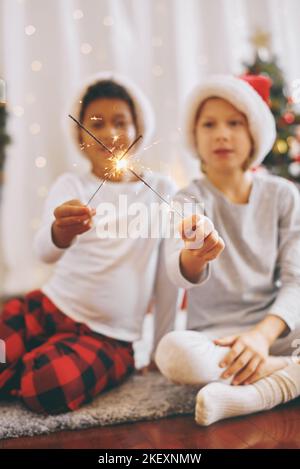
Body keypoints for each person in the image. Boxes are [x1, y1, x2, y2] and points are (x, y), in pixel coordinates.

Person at [0, 72, 178, 414]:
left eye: (120, 122)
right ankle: (34, 357)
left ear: (139, 129)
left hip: (109, 337)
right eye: (97, 124)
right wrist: (60, 233)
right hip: (49, 306)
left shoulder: (162, 191)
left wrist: (159, 350)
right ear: (81, 135)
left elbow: (168, 280)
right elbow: (44, 252)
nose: (110, 133)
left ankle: (36, 363)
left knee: (45, 385)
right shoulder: (72, 184)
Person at [155, 74, 300, 425]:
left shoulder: (283, 195)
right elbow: (178, 273)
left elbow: (296, 282)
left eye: (234, 122)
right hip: (216, 341)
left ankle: (255, 389)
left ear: (254, 133)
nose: (222, 133)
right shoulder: (187, 199)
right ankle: (284, 375)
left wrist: (261, 337)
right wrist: (195, 252)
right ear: (195, 137)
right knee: (172, 353)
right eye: (209, 124)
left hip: (274, 332)